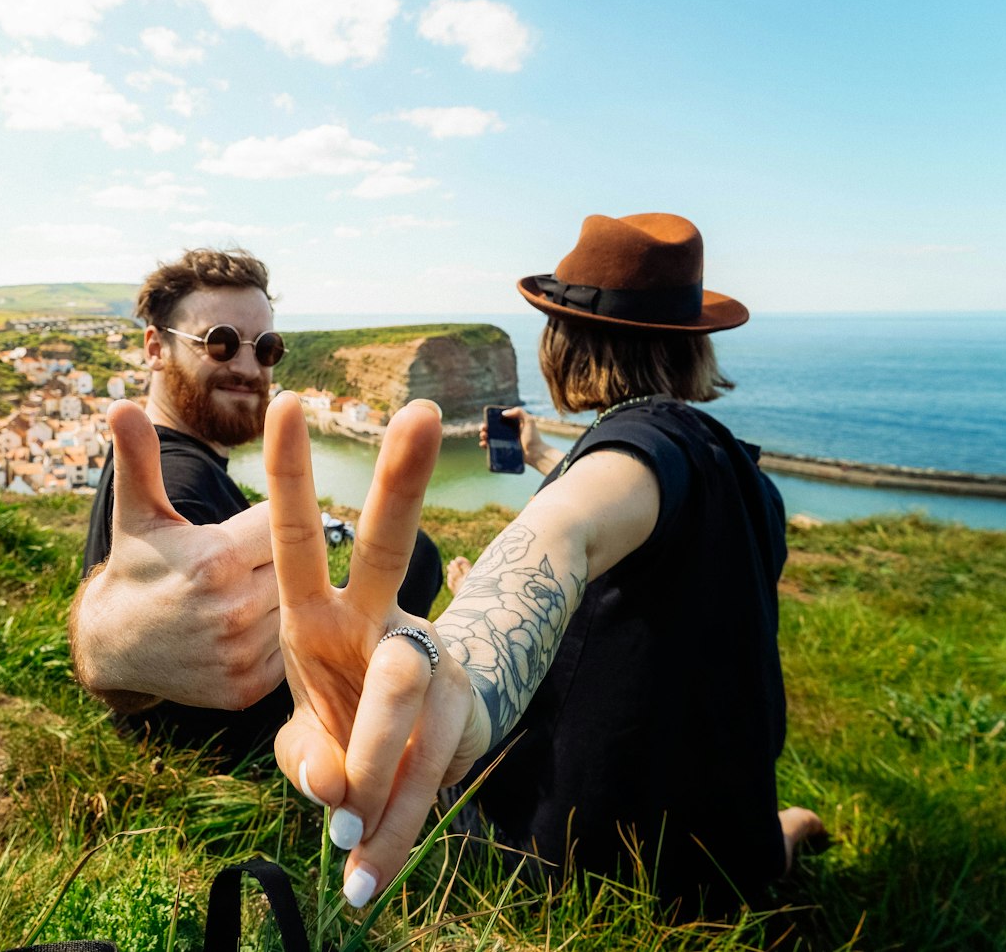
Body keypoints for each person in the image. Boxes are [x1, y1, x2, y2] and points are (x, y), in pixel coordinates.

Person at [265, 212, 823, 915]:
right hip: (718, 846)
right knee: (759, 842)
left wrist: (457, 670)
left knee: (447, 792)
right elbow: (625, 530)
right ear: (692, 347)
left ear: (564, 342)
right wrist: (543, 465)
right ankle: (778, 837)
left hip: (589, 861)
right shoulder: (735, 474)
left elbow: (568, 532)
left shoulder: (632, 454)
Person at [71, 247, 442, 764]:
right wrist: (111, 648)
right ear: (155, 348)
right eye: (218, 343)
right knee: (418, 557)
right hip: (237, 748)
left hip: (190, 738)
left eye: (265, 348)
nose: (248, 366)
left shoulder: (173, 462)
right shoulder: (182, 483)